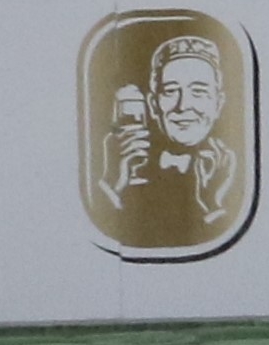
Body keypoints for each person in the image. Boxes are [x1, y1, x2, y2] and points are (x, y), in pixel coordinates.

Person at [93, 32, 242, 248]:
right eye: (171, 91)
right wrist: (109, 185)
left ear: (219, 104)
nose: (183, 105)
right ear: (154, 104)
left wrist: (214, 205)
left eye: (198, 92)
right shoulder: (125, 172)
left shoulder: (234, 177)